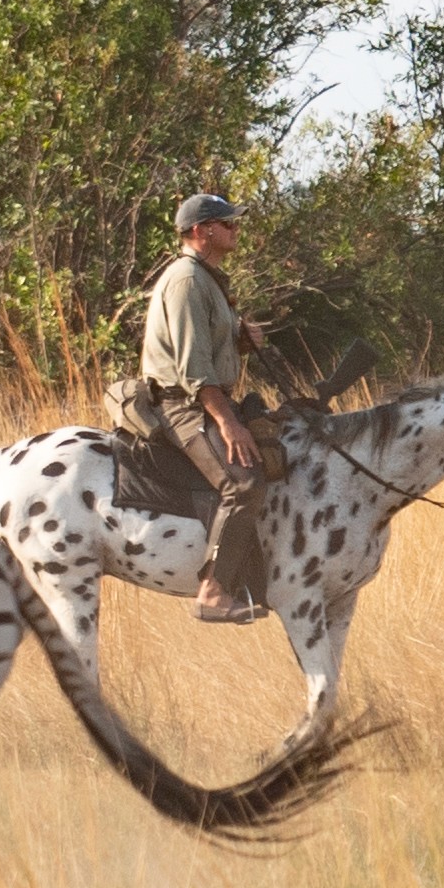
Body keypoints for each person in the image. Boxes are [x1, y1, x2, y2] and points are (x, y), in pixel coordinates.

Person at [129, 191, 283, 625]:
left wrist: (239, 337)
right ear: (202, 231)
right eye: (228, 224)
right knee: (244, 482)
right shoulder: (186, 280)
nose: (236, 230)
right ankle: (213, 593)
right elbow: (194, 370)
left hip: (202, 399)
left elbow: (210, 345)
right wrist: (229, 424)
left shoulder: (207, 278)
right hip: (182, 407)